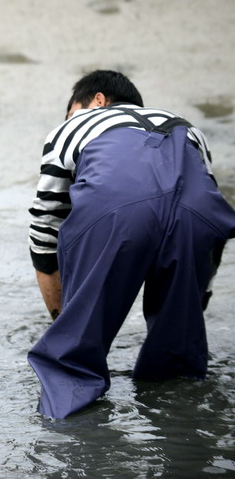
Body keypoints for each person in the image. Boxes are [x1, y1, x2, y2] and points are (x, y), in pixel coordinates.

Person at [26, 70, 235, 420]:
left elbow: (46, 227)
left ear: (96, 101)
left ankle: (76, 444)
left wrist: (63, 321)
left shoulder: (73, 127)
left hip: (117, 209)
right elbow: (207, 208)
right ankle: (182, 426)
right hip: (195, 216)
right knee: (178, 366)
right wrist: (192, 302)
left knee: (71, 367)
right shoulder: (185, 125)